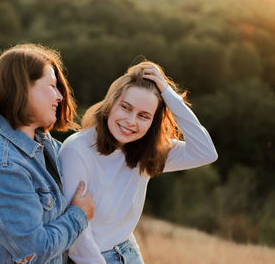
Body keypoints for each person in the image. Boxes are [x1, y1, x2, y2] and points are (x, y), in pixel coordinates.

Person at [59, 61, 218, 263]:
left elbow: (205, 152)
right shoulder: (77, 150)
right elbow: (78, 238)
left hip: (129, 252)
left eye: (144, 115)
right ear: (110, 104)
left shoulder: (147, 150)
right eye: (125, 107)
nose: (131, 121)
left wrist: (168, 95)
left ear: (152, 122)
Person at [0, 43, 95, 264]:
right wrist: (79, 215)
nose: (60, 96)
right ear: (21, 88)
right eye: (52, 85)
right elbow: (34, 251)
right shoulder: (1, 165)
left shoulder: (43, 144)